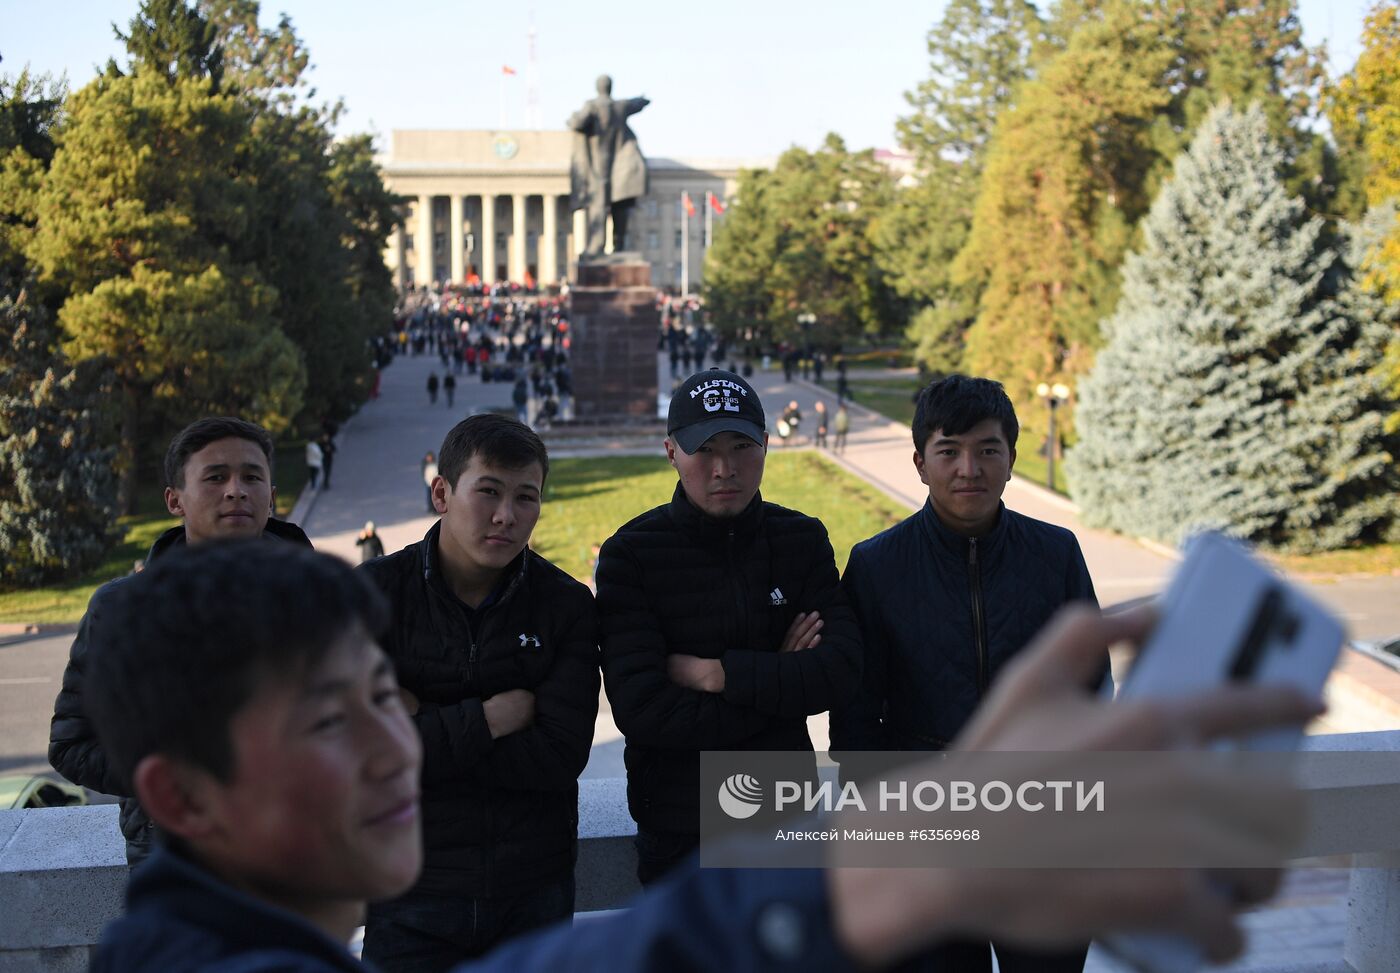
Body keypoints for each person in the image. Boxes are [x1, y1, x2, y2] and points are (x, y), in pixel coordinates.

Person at [86, 541, 1321, 972]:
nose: (392, 745)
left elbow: (830, 672)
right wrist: (897, 856)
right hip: (693, 807)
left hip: (763, 795)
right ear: (180, 796)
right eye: (324, 720)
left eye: (386, 695)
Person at [830, 374, 1106, 973]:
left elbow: (1091, 689)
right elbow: (855, 717)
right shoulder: (877, 566)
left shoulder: (1055, 554)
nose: (968, 469)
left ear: (1011, 459)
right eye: (948, 451)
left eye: (988, 450)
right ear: (920, 463)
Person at [596, 367, 862, 885]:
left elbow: (841, 671)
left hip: (781, 812)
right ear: (672, 452)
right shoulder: (633, 555)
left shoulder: (801, 540)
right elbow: (643, 710)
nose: (724, 468)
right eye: (705, 449)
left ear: (766, 444)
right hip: (679, 822)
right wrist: (779, 681)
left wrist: (718, 675)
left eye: (741, 446)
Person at [358, 415, 599, 969]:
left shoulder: (564, 604)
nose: (505, 516)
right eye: (488, 491)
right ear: (441, 492)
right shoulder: (371, 597)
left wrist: (423, 722)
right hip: (407, 892)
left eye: (526, 498)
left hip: (531, 891)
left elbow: (559, 758)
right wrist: (489, 719)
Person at [49, 417, 312, 865]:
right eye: (215, 477)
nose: (236, 490)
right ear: (175, 500)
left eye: (252, 476)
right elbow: (71, 745)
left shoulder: (322, 602)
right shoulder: (120, 610)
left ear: (271, 495)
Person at [567, 75, 649, 255]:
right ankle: (619, 246)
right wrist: (643, 99)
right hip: (621, 163)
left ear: (598, 88)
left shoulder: (593, 106)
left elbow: (577, 123)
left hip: (599, 164)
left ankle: (597, 245)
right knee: (619, 203)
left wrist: (572, 118)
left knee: (600, 203)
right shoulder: (620, 106)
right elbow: (638, 103)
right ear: (610, 88)